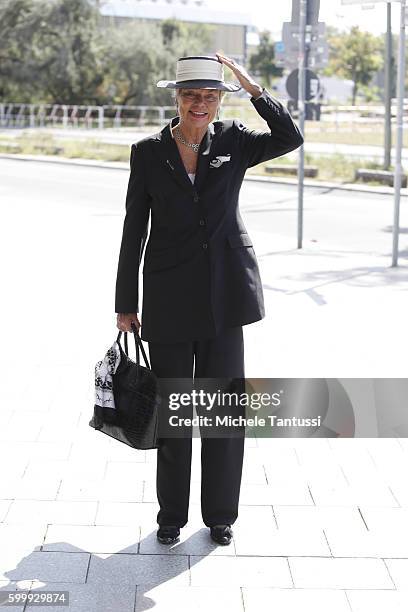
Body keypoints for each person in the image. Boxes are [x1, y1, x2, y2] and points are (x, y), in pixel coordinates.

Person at [115, 54, 304, 545]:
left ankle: (220, 515)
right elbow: (133, 230)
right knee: (175, 413)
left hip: (226, 297)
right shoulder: (147, 152)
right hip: (168, 299)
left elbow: (290, 138)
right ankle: (170, 517)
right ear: (176, 99)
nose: (201, 104)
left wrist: (254, 88)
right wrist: (125, 302)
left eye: (211, 96)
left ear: (221, 101)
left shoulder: (237, 141)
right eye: (192, 95)